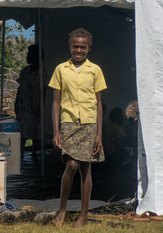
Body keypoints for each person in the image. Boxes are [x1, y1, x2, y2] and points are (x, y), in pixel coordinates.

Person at [49, 28, 107, 227]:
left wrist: (99, 133)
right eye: (76, 46)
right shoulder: (60, 69)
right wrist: (56, 130)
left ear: (89, 48)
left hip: (89, 124)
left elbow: (99, 103)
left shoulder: (95, 70)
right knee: (71, 165)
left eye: (83, 47)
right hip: (68, 123)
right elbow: (56, 103)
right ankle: (62, 210)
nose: (79, 50)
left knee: (85, 168)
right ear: (70, 46)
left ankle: (83, 216)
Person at [14, 44, 42, 157]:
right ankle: (20, 154)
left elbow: (44, 90)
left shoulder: (41, 71)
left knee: (35, 130)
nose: (26, 57)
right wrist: (17, 103)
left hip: (35, 104)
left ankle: (35, 154)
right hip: (24, 104)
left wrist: (40, 106)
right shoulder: (25, 71)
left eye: (29, 55)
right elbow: (20, 88)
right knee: (23, 129)